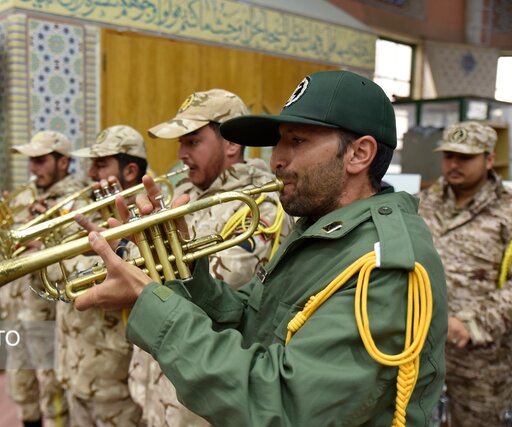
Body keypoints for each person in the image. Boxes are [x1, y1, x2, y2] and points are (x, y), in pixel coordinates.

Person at [73, 70, 448, 426]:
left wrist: (148, 300)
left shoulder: (383, 265)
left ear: (359, 154)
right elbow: (249, 320)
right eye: (278, 141)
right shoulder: (323, 230)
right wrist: (178, 267)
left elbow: (282, 405)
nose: (275, 160)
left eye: (296, 141)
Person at [128, 88, 292, 427]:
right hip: (159, 393)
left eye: (192, 142)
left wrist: (141, 271)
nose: (181, 153)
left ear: (231, 144)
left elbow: (216, 292)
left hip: (200, 407)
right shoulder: (187, 197)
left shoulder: (261, 207)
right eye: (181, 143)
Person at [0, 130, 81, 427]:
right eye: (31, 161)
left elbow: (77, 262)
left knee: (52, 392)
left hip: (47, 315)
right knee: (23, 388)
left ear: (64, 162)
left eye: (41, 160)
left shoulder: (76, 201)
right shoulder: (29, 197)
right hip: (18, 310)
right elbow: (9, 254)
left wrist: (44, 241)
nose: (33, 168)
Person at [418, 121, 512, 426]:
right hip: (420, 346)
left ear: (488, 159)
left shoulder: (507, 211)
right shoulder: (424, 202)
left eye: (465, 157)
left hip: (482, 359)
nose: (454, 164)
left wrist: (472, 325)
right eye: (449, 156)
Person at [55, 125, 146, 426]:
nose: (91, 172)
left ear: (130, 171)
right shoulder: (87, 211)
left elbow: (151, 282)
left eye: (100, 163)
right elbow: (61, 279)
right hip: (74, 367)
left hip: (116, 378)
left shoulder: (149, 215)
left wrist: (119, 248)